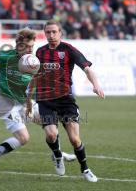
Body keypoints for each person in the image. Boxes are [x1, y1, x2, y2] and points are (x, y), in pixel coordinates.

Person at [0, 28, 76, 173]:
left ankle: (57, 154)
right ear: (18, 45)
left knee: (49, 122)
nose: (30, 50)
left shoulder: (34, 61)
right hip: (6, 104)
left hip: (24, 102)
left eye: (32, 46)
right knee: (23, 138)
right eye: (27, 46)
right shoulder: (5, 57)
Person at [26, 20, 105, 182]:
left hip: (65, 100)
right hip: (45, 99)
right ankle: (57, 156)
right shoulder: (40, 52)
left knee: (75, 140)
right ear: (45, 33)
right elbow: (35, 76)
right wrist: (28, 99)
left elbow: (87, 69)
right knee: (51, 134)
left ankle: (85, 169)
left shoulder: (68, 50)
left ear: (60, 33)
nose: (51, 35)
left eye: (54, 32)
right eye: (48, 32)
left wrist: (96, 84)